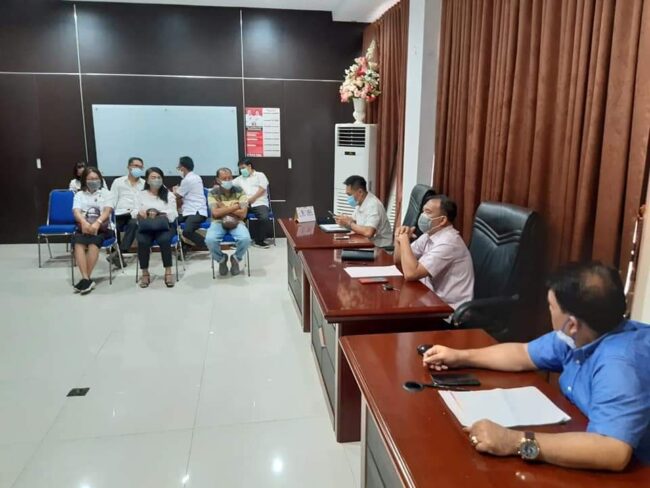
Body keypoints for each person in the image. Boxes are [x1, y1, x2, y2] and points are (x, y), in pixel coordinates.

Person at [422, 261, 650, 471]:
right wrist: (460, 356)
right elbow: (522, 354)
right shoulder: (582, 334)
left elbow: (613, 450)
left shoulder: (620, 365)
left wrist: (515, 441)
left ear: (572, 324)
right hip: (581, 433)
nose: (549, 311)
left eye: (551, 306)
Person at [393, 195, 474, 309]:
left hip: (448, 308)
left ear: (442, 220)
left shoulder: (449, 243)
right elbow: (398, 261)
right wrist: (399, 239)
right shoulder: (429, 235)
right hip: (428, 297)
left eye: (428, 212)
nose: (422, 216)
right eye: (423, 211)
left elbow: (411, 274)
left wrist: (404, 240)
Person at [71, 166, 114, 295]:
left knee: (93, 243)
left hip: (102, 228)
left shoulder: (106, 193)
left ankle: (86, 279)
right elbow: (76, 211)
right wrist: (84, 222)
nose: (94, 181)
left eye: (96, 178)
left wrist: (97, 223)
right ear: (84, 180)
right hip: (84, 226)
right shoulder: (79, 194)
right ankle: (86, 279)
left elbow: (107, 211)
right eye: (90, 179)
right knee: (78, 243)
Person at [133, 167, 178, 288]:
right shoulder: (140, 195)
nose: (156, 180)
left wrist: (159, 213)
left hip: (164, 226)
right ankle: (145, 273)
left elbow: (174, 214)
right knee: (142, 241)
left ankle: (168, 272)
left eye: (159, 177)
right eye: (153, 177)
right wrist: (140, 212)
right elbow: (133, 211)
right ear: (147, 180)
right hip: (146, 226)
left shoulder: (169, 195)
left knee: (164, 240)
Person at [205, 167, 251, 276]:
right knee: (210, 240)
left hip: (237, 221)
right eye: (224, 178)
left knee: (245, 239)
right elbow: (215, 213)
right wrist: (235, 206)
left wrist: (222, 207)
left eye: (230, 178)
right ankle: (221, 259)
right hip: (218, 222)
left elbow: (243, 214)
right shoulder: (212, 193)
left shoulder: (240, 190)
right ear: (218, 180)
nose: (228, 180)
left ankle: (235, 258)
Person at [334, 175, 393, 248]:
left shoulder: (373, 205)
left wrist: (349, 223)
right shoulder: (360, 202)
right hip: (365, 243)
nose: (348, 198)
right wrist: (344, 221)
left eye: (350, 195)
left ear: (360, 192)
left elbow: (369, 232)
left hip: (380, 248)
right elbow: (356, 223)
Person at [108, 157, 145, 267]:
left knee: (134, 224)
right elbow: (111, 200)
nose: (138, 168)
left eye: (141, 167)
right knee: (113, 227)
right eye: (136, 166)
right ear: (129, 167)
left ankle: (119, 253)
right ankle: (117, 254)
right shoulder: (118, 182)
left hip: (135, 215)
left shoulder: (144, 184)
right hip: (119, 214)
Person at [233, 158, 272, 248]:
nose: (241, 170)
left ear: (249, 166)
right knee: (236, 216)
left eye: (243, 168)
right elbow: (229, 185)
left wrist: (252, 199)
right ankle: (240, 241)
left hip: (259, 202)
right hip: (245, 203)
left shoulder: (260, 175)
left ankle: (259, 241)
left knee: (264, 218)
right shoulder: (240, 179)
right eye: (240, 169)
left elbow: (262, 189)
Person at [172, 156, 207, 252]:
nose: (178, 169)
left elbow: (177, 195)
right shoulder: (196, 177)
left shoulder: (187, 180)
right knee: (172, 222)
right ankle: (184, 245)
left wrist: (173, 191)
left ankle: (208, 245)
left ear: (183, 168)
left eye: (178, 167)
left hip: (196, 212)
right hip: (188, 211)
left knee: (187, 231)